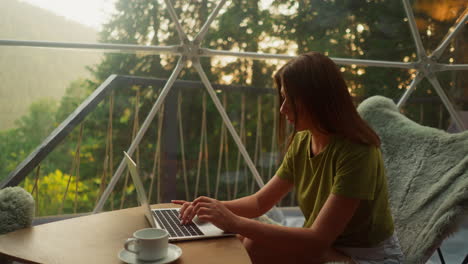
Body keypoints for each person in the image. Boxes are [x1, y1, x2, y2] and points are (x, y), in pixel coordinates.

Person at [172, 52, 404, 264]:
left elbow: (317, 239)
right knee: (237, 238)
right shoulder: (304, 141)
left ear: (317, 99)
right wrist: (209, 208)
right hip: (328, 245)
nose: (282, 109)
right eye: (282, 98)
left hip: (366, 256)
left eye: (289, 100)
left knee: (252, 242)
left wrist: (233, 221)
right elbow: (259, 203)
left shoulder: (358, 153)